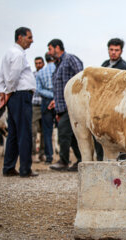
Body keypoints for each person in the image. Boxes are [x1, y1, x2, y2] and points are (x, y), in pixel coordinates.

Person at [0, 27, 38, 177]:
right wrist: (8, 92)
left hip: (14, 96)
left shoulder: (8, 53)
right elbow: (13, 76)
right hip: (20, 95)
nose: (32, 40)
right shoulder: (18, 54)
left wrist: (3, 92)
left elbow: (1, 75)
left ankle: (8, 167)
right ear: (20, 38)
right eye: (29, 37)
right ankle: (25, 169)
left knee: (13, 133)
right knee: (24, 133)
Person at [47, 39, 83, 171]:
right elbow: (60, 86)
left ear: (57, 48)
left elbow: (81, 78)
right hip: (62, 106)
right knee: (72, 135)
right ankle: (81, 161)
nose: (49, 52)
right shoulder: (58, 64)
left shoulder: (70, 59)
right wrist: (56, 102)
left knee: (62, 130)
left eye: (50, 49)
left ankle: (63, 160)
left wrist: (75, 100)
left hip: (72, 105)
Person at [36, 53, 56, 165]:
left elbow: (38, 90)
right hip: (60, 100)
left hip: (46, 102)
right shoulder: (58, 69)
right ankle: (64, 156)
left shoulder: (40, 72)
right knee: (64, 129)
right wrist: (56, 96)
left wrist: (50, 95)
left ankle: (49, 157)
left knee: (47, 131)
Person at [32, 56, 45, 163]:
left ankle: (42, 153)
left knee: (45, 132)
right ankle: (33, 154)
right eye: (36, 63)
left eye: (40, 63)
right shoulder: (32, 75)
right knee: (33, 131)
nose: (38, 65)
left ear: (43, 63)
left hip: (44, 105)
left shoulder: (45, 74)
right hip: (34, 105)